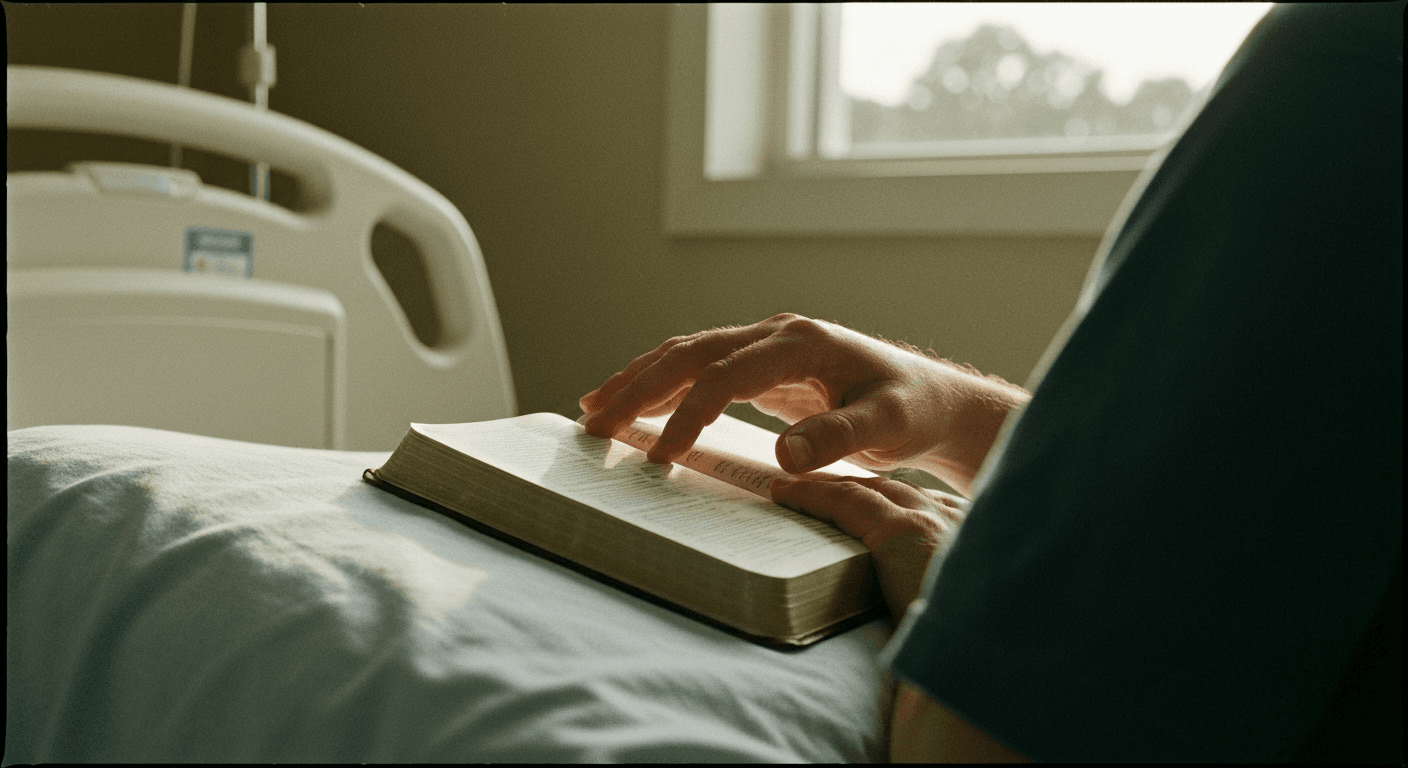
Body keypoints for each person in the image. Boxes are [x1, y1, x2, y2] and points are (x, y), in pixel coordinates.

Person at [582, 2, 1401, 762]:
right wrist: (964, 417)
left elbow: (971, 747)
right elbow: (1306, 480)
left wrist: (976, 613)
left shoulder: (1354, 68)